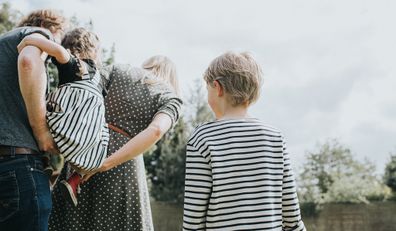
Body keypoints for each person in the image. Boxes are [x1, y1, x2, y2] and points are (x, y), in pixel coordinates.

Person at [49, 56, 182, 231]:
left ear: (147, 64)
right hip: (124, 168)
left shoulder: (118, 69)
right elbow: (156, 130)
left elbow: (85, 87)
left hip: (88, 150)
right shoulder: (170, 98)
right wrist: (104, 165)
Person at [182, 51, 306, 231]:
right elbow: (292, 219)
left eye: (207, 89)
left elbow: (193, 220)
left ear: (217, 88)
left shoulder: (202, 138)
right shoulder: (275, 138)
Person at [17, 27, 110, 206]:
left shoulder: (76, 66)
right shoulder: (98, 78)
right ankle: (74, 180)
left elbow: (58, 51)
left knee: (40, 111)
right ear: (95, 51)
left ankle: (44, 162)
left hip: (61, 127)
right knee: (102, 136)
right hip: (86, 136)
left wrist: (30, 40)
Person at [0, 9, 67, 231]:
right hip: (18, 167)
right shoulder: (36, 33)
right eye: (60, 36)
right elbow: (29, 61)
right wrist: (41, 131)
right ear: (45, 24)